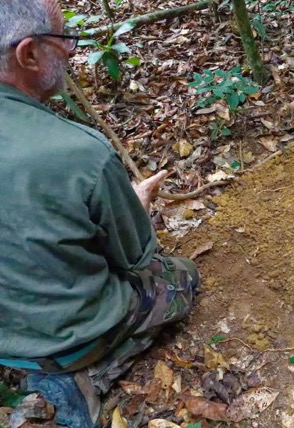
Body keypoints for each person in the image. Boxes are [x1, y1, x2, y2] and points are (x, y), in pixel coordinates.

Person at [0, 0, 200, 425]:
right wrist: (136, 205)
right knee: (181, 276)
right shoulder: (79, 152)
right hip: (63, 334)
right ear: (28, 54)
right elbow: (133, 259)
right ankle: (84, 374)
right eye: (64, 39)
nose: (72, 51)